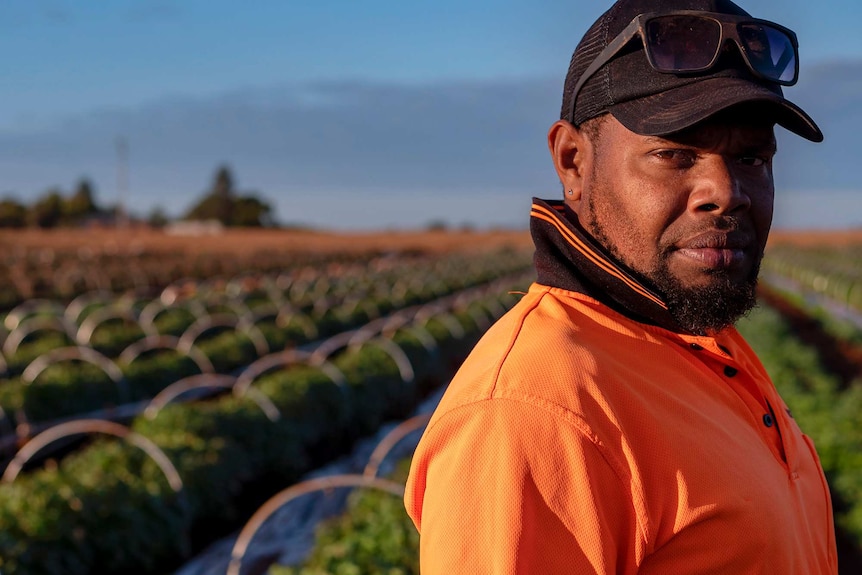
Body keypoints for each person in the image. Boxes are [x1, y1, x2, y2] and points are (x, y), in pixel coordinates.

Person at [404, 0, 838, 572]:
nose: (725, 190)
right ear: (573, 161)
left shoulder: (697, 339)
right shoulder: (536, 415)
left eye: (752, 157)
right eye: (674, 154)